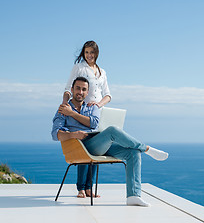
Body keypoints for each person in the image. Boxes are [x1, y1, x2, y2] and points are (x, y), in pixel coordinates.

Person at [52, 77, 169, 207]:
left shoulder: (92, 107)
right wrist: (74, 134)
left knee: (133, 153)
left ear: (87, 92)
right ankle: (147, 148)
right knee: (113, 130)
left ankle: (133, 196)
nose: (80, 92)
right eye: (78, 88)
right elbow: (56, 134)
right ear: (72, 90)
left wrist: (72, 114)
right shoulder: (63, 109)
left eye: (84, 89)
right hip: (81, 147)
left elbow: (94, 122)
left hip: (99, 142)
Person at [62, 41, 112, 198]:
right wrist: (65, 106)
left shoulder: (102, 71)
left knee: (96, 151)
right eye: (86, 52)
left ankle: (89, 188)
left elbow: (108, 95)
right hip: (82, 112)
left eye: (92, 52)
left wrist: (98, 104)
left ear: (97, 53)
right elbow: (68, 87)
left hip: (98, 113)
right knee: (83, 150)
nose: (89, 55)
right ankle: (81, 188)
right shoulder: (79, 67)